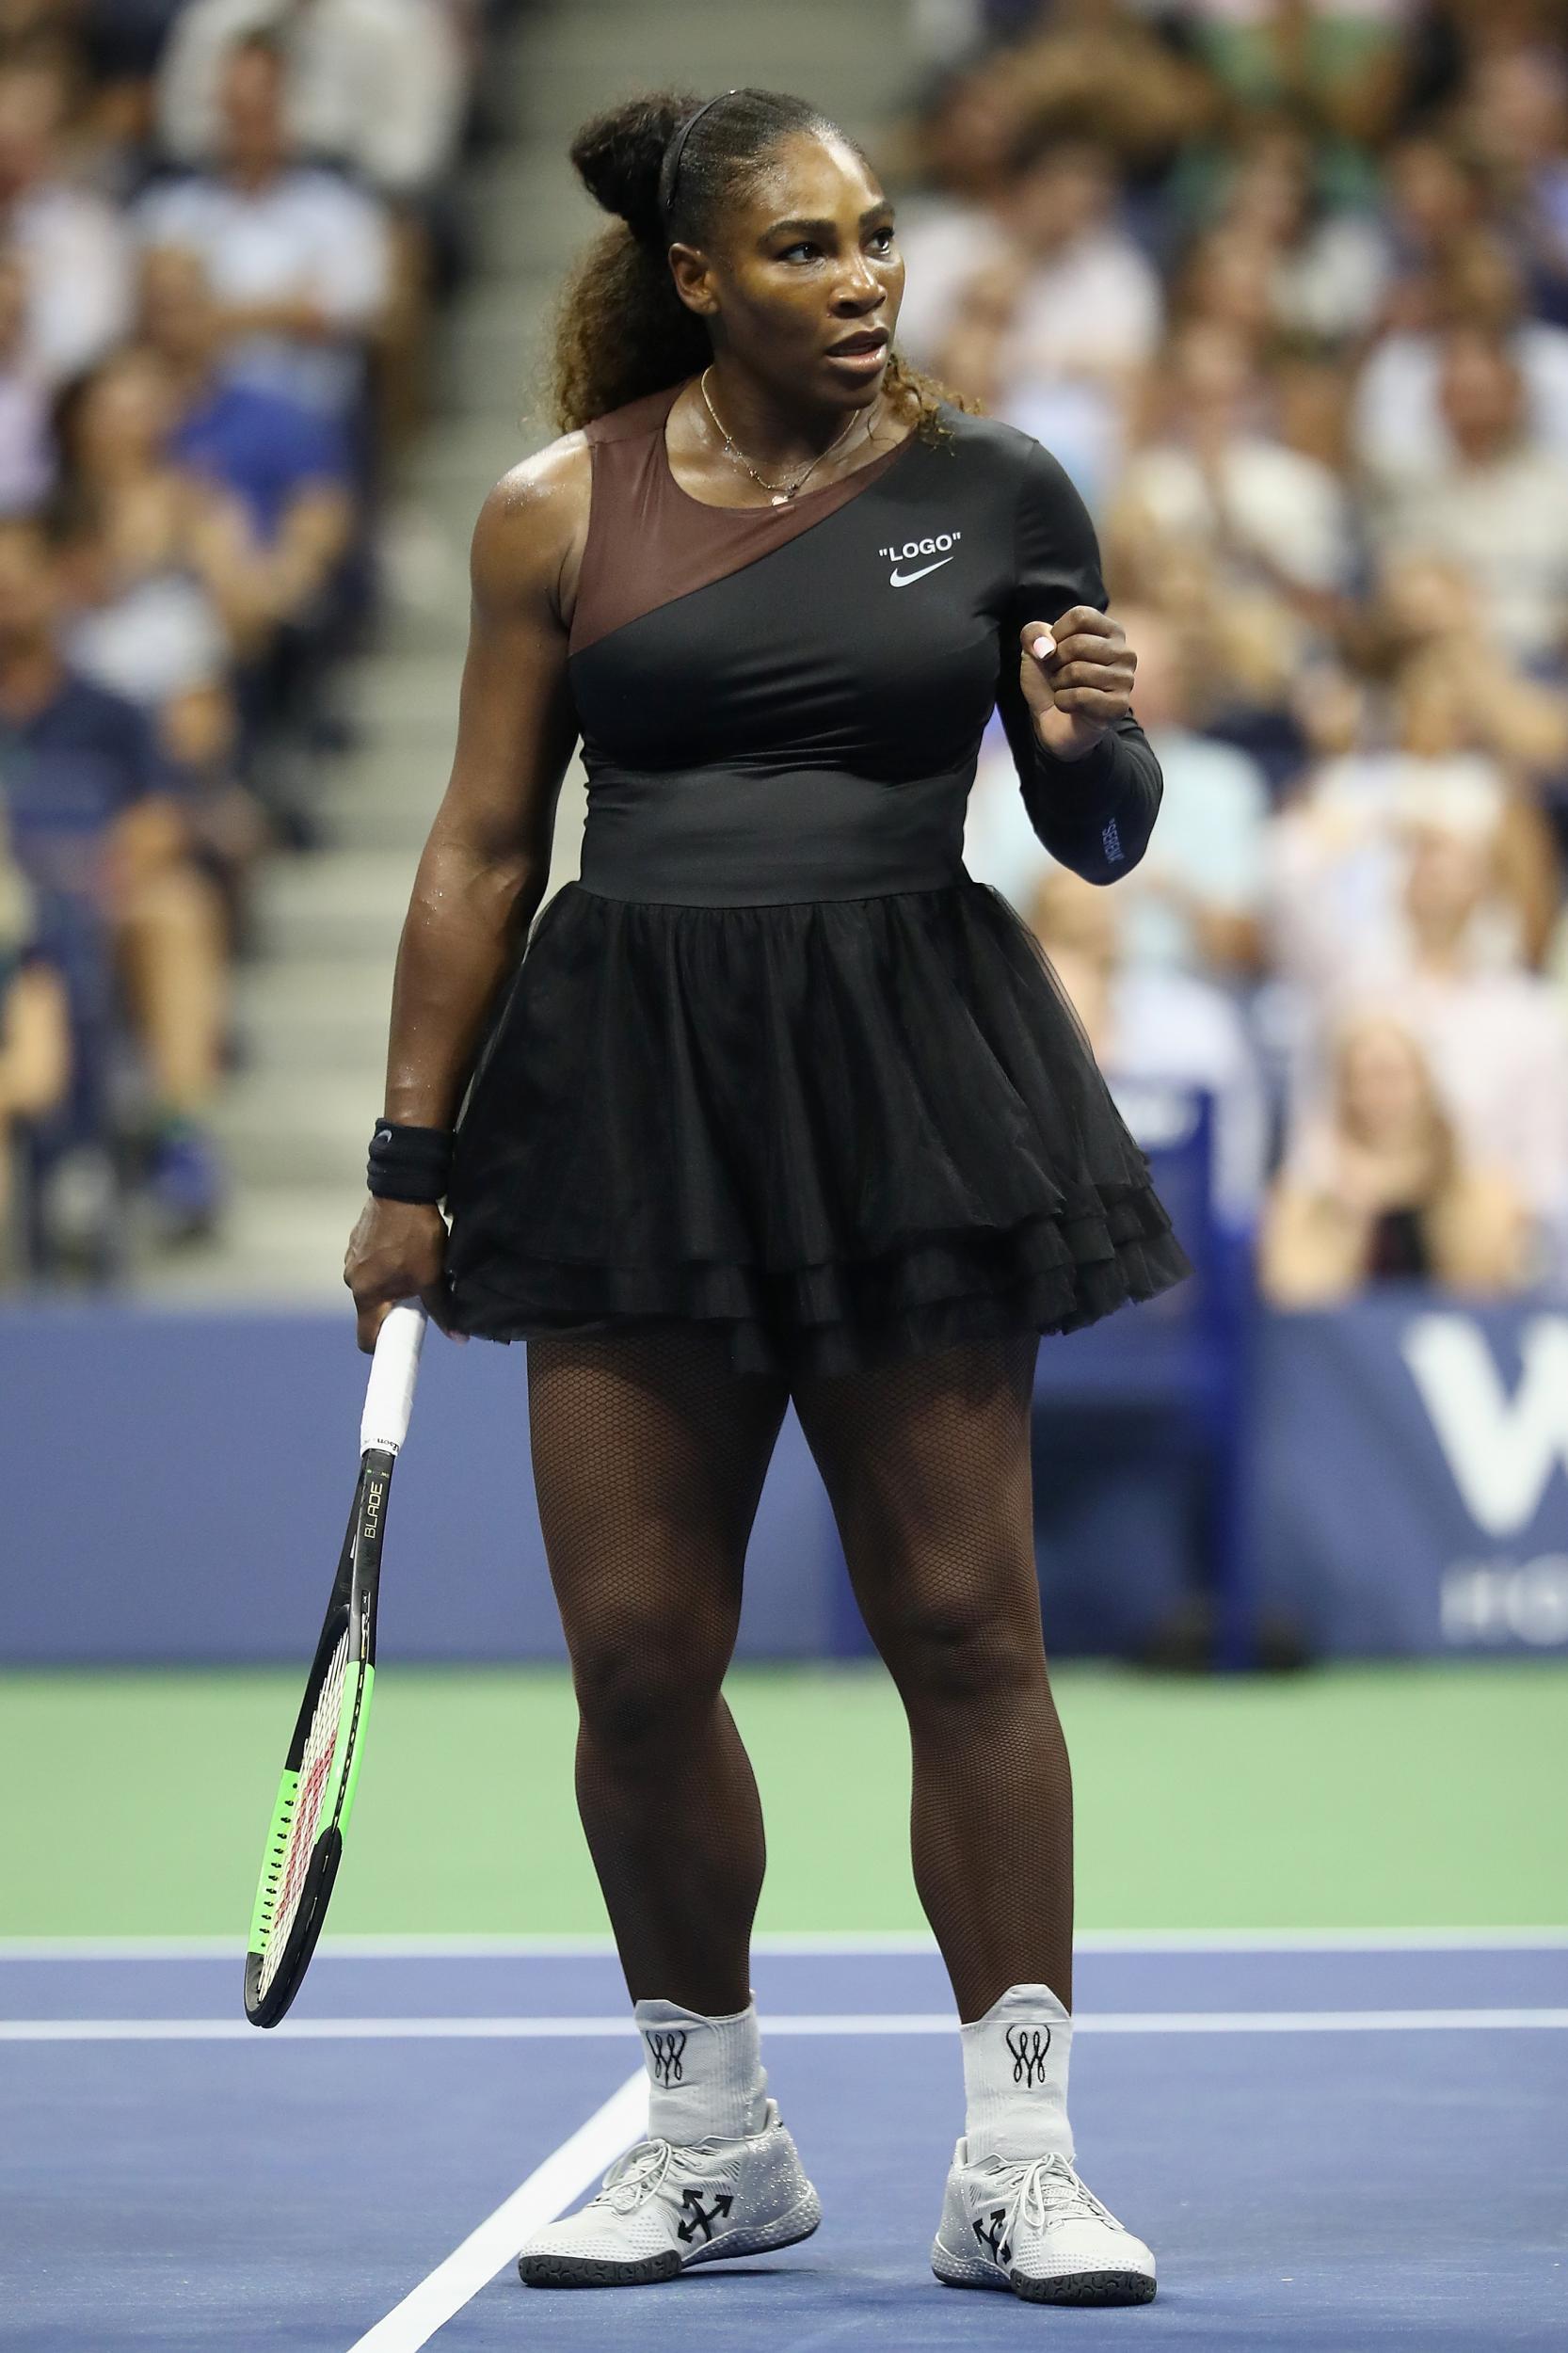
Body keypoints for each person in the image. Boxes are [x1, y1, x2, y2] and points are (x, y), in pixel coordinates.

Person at [344, 86, 1188, 2306]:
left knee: (965, 1627)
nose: (866, 279)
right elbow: (477, 849)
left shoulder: (1000, 490)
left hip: (910, 1072)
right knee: (635, 1652)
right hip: (629, 1089)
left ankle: (1020, 2153)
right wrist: (405, 1165)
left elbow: (1096, 829)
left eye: (880, 237)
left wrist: (1096, 742)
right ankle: (711, 2133)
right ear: (699, 277)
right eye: (808, 248)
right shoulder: (552, 514)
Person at [1260, 1008, 1530, 1305]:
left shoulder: (1477, 1181)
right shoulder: (1307, 1188)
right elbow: (1296, 1301)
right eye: (1363, 1078)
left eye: (1393, 1076)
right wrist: (1347, 1217)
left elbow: (1488, 1287)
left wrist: (1433, 1186)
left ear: (1425, 1083)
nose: (1381, 1097)